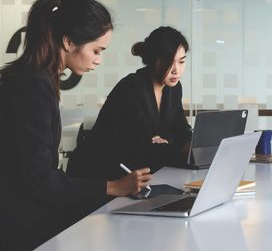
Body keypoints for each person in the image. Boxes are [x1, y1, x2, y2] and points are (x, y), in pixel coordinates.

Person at [0, 0, 152, 251]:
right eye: (96, 50)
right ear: (69, 41)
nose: (98, 60)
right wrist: (112, 187)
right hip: (20, 229)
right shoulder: (32, 85)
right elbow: (36, 179)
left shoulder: (33, 78)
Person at [67, 26, 192, 181]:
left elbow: (180, 130)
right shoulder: (131, 88)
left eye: (181, 62)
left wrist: (189, 145)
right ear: (154, 60)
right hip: (99, 175)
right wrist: (171, 145)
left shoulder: (173, 88)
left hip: (137, 173)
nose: (176, 70)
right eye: (168, 62)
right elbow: (143, 147)